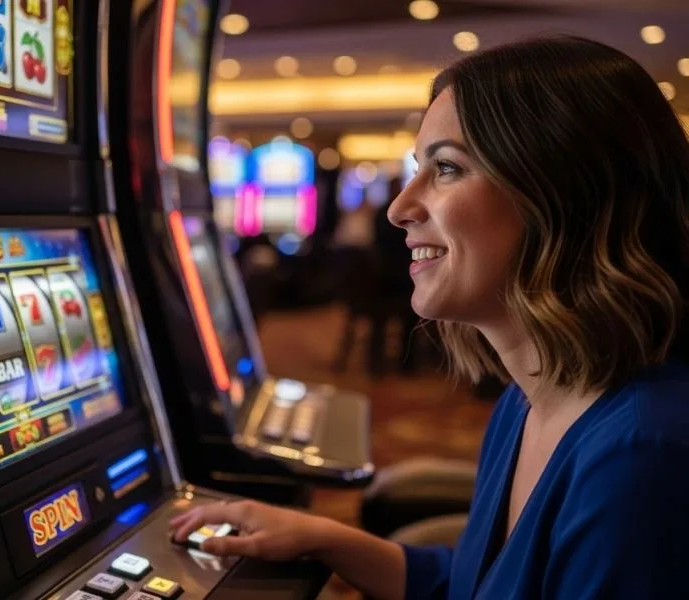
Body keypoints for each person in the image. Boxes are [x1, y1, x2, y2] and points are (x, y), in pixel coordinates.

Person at [170, 36, 689, 599]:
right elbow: (478, 586)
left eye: (445, 168)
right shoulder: (528, 399)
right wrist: (322, 537)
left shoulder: (642, 456)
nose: (399, 207)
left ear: (563, 195)